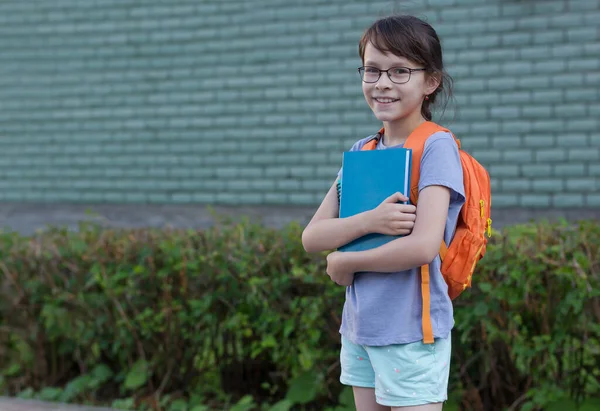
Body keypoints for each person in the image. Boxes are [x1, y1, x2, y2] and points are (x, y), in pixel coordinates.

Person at [301, 15, 465, 411]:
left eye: (400, 71)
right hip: (360, 330)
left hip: (412, 332)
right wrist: (369, 222)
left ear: (431, 81)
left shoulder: (436, 146)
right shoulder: (363, 151)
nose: (383, 83)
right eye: (372, 70)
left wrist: (347, 260)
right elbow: (312, 237)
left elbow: (424, 245)